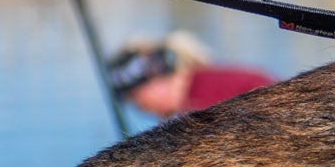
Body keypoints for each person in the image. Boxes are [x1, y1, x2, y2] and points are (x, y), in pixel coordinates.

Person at [104, 31, 275, 119]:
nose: (140, 109)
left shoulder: (200, 101)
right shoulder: (203, 84)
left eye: (136, 99)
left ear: (156, 78)